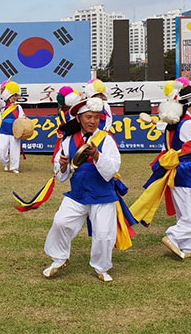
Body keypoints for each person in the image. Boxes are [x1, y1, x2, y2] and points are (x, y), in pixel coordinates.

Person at [129, 85, 191, 260]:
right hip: (188, 170)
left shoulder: (177, 122)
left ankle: (188, 247)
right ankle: (174, 236)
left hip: (178, 171)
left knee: (185, 212)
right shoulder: (189, 124)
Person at [42, 97, 136, 282]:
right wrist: (62, 166)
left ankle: (101, 267)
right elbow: (62, 175)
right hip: (78, 194)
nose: (93, 121)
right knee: (61, 222)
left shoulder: (106, 140)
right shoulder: (68, 140)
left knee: (103, 234)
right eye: (88, 117)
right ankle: (60, 258)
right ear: (79, 118)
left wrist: (97, 155)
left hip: (102, 194)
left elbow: (113, 169)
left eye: (96, 117)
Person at [0, 81, 25, 174]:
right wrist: (2, 90)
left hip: (14, 132)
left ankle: (14, 167)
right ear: (8, 96)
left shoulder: (18, 107)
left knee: (15, 150)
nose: (14, 98)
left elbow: (21, 119)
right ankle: (5, 162)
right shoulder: (2, 106)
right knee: (1, 150)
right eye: (13, 96)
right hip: (3, 131)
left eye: (15, 96)